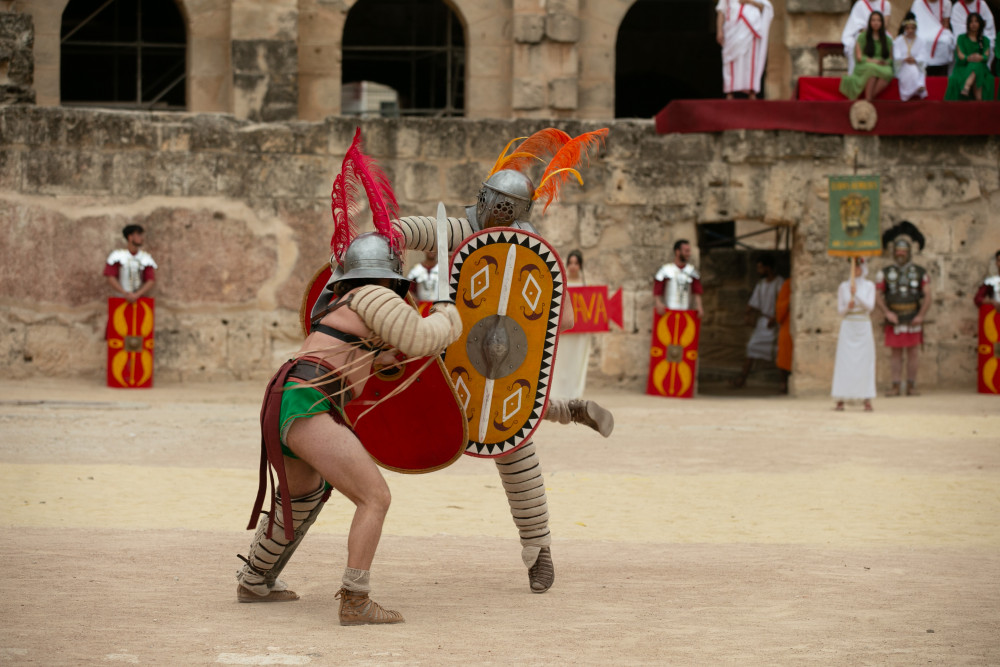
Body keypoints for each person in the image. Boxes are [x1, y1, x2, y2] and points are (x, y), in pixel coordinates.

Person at [236, 130, 463, 626]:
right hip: (307, 403)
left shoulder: (339, 300)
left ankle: (255, 579)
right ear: (388, 275)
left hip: (290, 398)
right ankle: (355, 600)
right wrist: (447, 307)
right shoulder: (373, 297)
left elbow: (376, 358)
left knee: (303, 495)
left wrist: (389, 358)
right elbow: (426, 337)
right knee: (375, 496)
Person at [393, 128, 615, 594]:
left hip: (497, 362)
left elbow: (563, 319)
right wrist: (387, 235)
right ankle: (568, 410)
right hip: (450, 352)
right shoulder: (463, 229)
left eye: (506, 213)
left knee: (512, 442)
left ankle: (539, 552)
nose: (499, 217)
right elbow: (421, 230)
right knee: (413, 401)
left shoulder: (529, 249)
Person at [875, 227, 931, 397]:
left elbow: (928, 295)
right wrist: (886, 312)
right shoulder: (884, 273)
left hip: (913, 317)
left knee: (913, 352)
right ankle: (895, 385)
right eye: (897, 251)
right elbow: (877, 295)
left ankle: (911, 386)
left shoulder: (920, 272)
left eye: (903, 252)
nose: (900, 254)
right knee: (896, 353)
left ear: (909, 252)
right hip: (894, 319)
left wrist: (921, 315)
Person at [731, 255, 784, 388]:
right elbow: (753, 303)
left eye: (761, 267)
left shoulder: (779, 283)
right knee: (751, 347)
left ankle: (784, 382)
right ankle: (743, 379)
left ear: (768, 267)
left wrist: (776, 317)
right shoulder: (760, 284)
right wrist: (747, 314)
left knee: (778, 352)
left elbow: (783, 302)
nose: (758, 270)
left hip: (776, 323)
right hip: (763, 322)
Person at [832, 259, 877, 412]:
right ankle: (840, 397)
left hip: (863, 324)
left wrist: (856, 294)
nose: (856, 269)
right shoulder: (843, 286)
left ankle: (867, 398)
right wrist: (847, 307)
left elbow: (870, 307)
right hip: (848, 324)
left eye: (858, 266)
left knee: (865, 362)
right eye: (854, 266)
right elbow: (840, 311)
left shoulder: (869, 285)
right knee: (845, 361)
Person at [552, 250, 592, 400]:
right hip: (565, 331)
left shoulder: (587, 285)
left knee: (575, 361)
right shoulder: (562, 283)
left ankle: (574, 393)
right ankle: (557, 391)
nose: (573, 266)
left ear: (580, 265)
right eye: (571, 263)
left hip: (580, 332)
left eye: (576, 263)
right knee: (561, 359)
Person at [716, 0, 775, 99]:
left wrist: (749, 1)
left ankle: (752, 91)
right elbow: (721, 11)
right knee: (730, 60)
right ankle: (730, 91)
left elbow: (765, 8)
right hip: (731, 30)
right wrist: (719, 30)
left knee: (750, 60)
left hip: (750, 29)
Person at [840, 11, 895, 100]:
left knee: (888, 72)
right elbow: (859, 57)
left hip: (882, 65)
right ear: (869, 22)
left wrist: (884, 62)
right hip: (865, 64)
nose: (876, 23)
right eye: (873, 20)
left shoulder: (887, 39)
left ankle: (869, 99)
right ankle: (869, 98)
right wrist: (874, 61)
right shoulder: (862, 37)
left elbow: (890, 58)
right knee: (872, 70)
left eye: (878, 20)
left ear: (882, 23)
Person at [945, 12, 995, 100]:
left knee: (978, 66)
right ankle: (979, 101)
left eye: (976, 21)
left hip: (981, 68)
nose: (974, 24)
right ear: (968, 24)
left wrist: (979, 58)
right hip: (964, 67)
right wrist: (969, 58)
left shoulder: (985, 40)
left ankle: (966, 86)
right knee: (976, 66)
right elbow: (961, 56)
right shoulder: (961, 38)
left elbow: (985, 56)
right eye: (971, 22)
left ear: (980, 24)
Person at [104, 224, 156, 302]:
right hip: (120, 299)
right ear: (130, 237)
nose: (142, 238)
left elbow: (150, 279)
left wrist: (137, 294)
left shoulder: (145, 257)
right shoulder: (117, 255)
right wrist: (124, 293)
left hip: (139, 299)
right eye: (138, 235)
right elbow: (110, 276)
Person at [653, 239, 704, 319]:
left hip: (686, 311)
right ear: (677, 251)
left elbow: (697, 290)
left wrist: (699, 306)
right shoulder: (666, 270)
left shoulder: (692, 271)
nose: (689, 254)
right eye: (686, 251)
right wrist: (658, 303)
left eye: (689, 251)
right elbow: (657, 289)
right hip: (668, 311)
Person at [842, 0, 893, 74]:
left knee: (890, 41)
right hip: (864, 33)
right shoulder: (860, 4)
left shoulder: (885, 4)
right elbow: (855, 24)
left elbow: (885, 24)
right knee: (853, 44)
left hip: (880, 32)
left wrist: (875, 30)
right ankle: (855, 73)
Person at [910, 0, 956, 74]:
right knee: (920, 39)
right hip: (922, 30)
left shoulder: (946, 3)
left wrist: (938, 33)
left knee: (946, 41)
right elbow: (914, 21)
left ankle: (941, 68)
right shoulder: (918, 3)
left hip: (939, 32)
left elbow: (946, 25)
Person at [894, 13, 930, 100]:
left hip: (916, 64)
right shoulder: (898, 40)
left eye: (912, 28)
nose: (910, 30)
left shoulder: (921, 41)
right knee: (911, 69)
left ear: (915, 29)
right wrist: (904, 59)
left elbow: (923, 55)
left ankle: (914, 89)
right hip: (902, 65)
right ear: (904, 29)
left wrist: (915, 60)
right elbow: (896, 55)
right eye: (908, 28)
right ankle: (918, 86)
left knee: (915, 69)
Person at [952, 0, 996, 69]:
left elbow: (989, 26)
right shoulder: (957, 7)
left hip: (982, 38)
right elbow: (958, 31)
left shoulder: (982, 4)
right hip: (965, 40)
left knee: (988, 43)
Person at [775, 277, 792, 394]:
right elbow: (779, 307)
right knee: (783, 351)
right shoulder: (787, 285)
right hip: (787, 323)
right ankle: (783, 382)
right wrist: (789, 302)